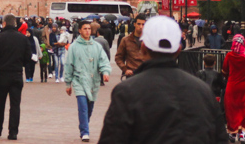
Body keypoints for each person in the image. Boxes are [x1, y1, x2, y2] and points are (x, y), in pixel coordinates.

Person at [97, 15, 228, 144]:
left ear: (143, 48)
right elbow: (220, 137)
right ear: (178, 50)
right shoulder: (203, 91)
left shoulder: (126, 92)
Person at [65, 19, 111, 142]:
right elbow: (69, 65)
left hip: (93, 81)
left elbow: (104, 60)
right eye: (85, 29)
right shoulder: (74, 47)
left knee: (90, 108)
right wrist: (68, 83)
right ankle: (85, 132)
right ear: (79, 30)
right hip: (79, 80)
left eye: (89, 29)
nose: (87, 31)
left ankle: (83, 125)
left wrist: (105, 72)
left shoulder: (96, 46)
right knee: (83, 107)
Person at [0, 14, 32, 140]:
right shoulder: (23, 39)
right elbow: (28, 57)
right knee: (15, 105)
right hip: (16, 74)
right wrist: (20, 64)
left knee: (0, 103)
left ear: (3, 24)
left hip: (2, 74)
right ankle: (13, 132)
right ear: (15, 24)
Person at [222, 33, 245, 141]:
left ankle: (232, 132)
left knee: (232, 110)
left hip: (232, 87)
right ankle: (243, 134)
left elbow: (224, 71)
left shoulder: (229, 56)